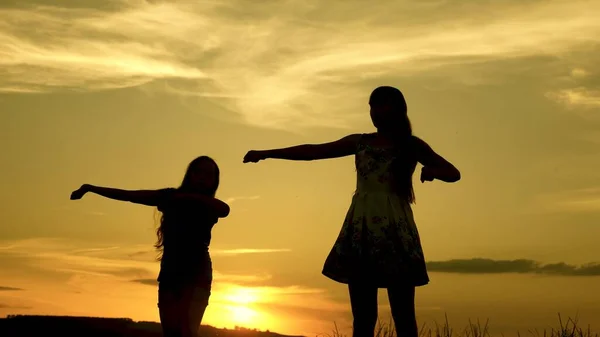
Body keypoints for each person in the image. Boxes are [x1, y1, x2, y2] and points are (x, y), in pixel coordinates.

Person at [243, 86, 460, 337]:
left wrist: (433, 172)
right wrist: (267, 154)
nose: (375, 112)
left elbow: (453, 173)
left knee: (403, 315)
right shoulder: (360, 142)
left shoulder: (411, 145)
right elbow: (314, 151)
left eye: (382, 105)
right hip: (362, 228)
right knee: (363, 317)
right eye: (372, 106)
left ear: (398, 109)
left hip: (395, 230)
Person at [70, 156, 230, 337]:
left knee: (186, 331)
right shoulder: (170, 196)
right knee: (171, 332)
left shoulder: (208, 204)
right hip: (170, 271)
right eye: (199, 172)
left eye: (209, 174)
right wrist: (91, 188)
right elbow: (130, 195)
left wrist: (185, 197)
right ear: (190, 174)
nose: (203, 177)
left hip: (196, 273)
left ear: (214, 181)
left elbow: (225, 210)